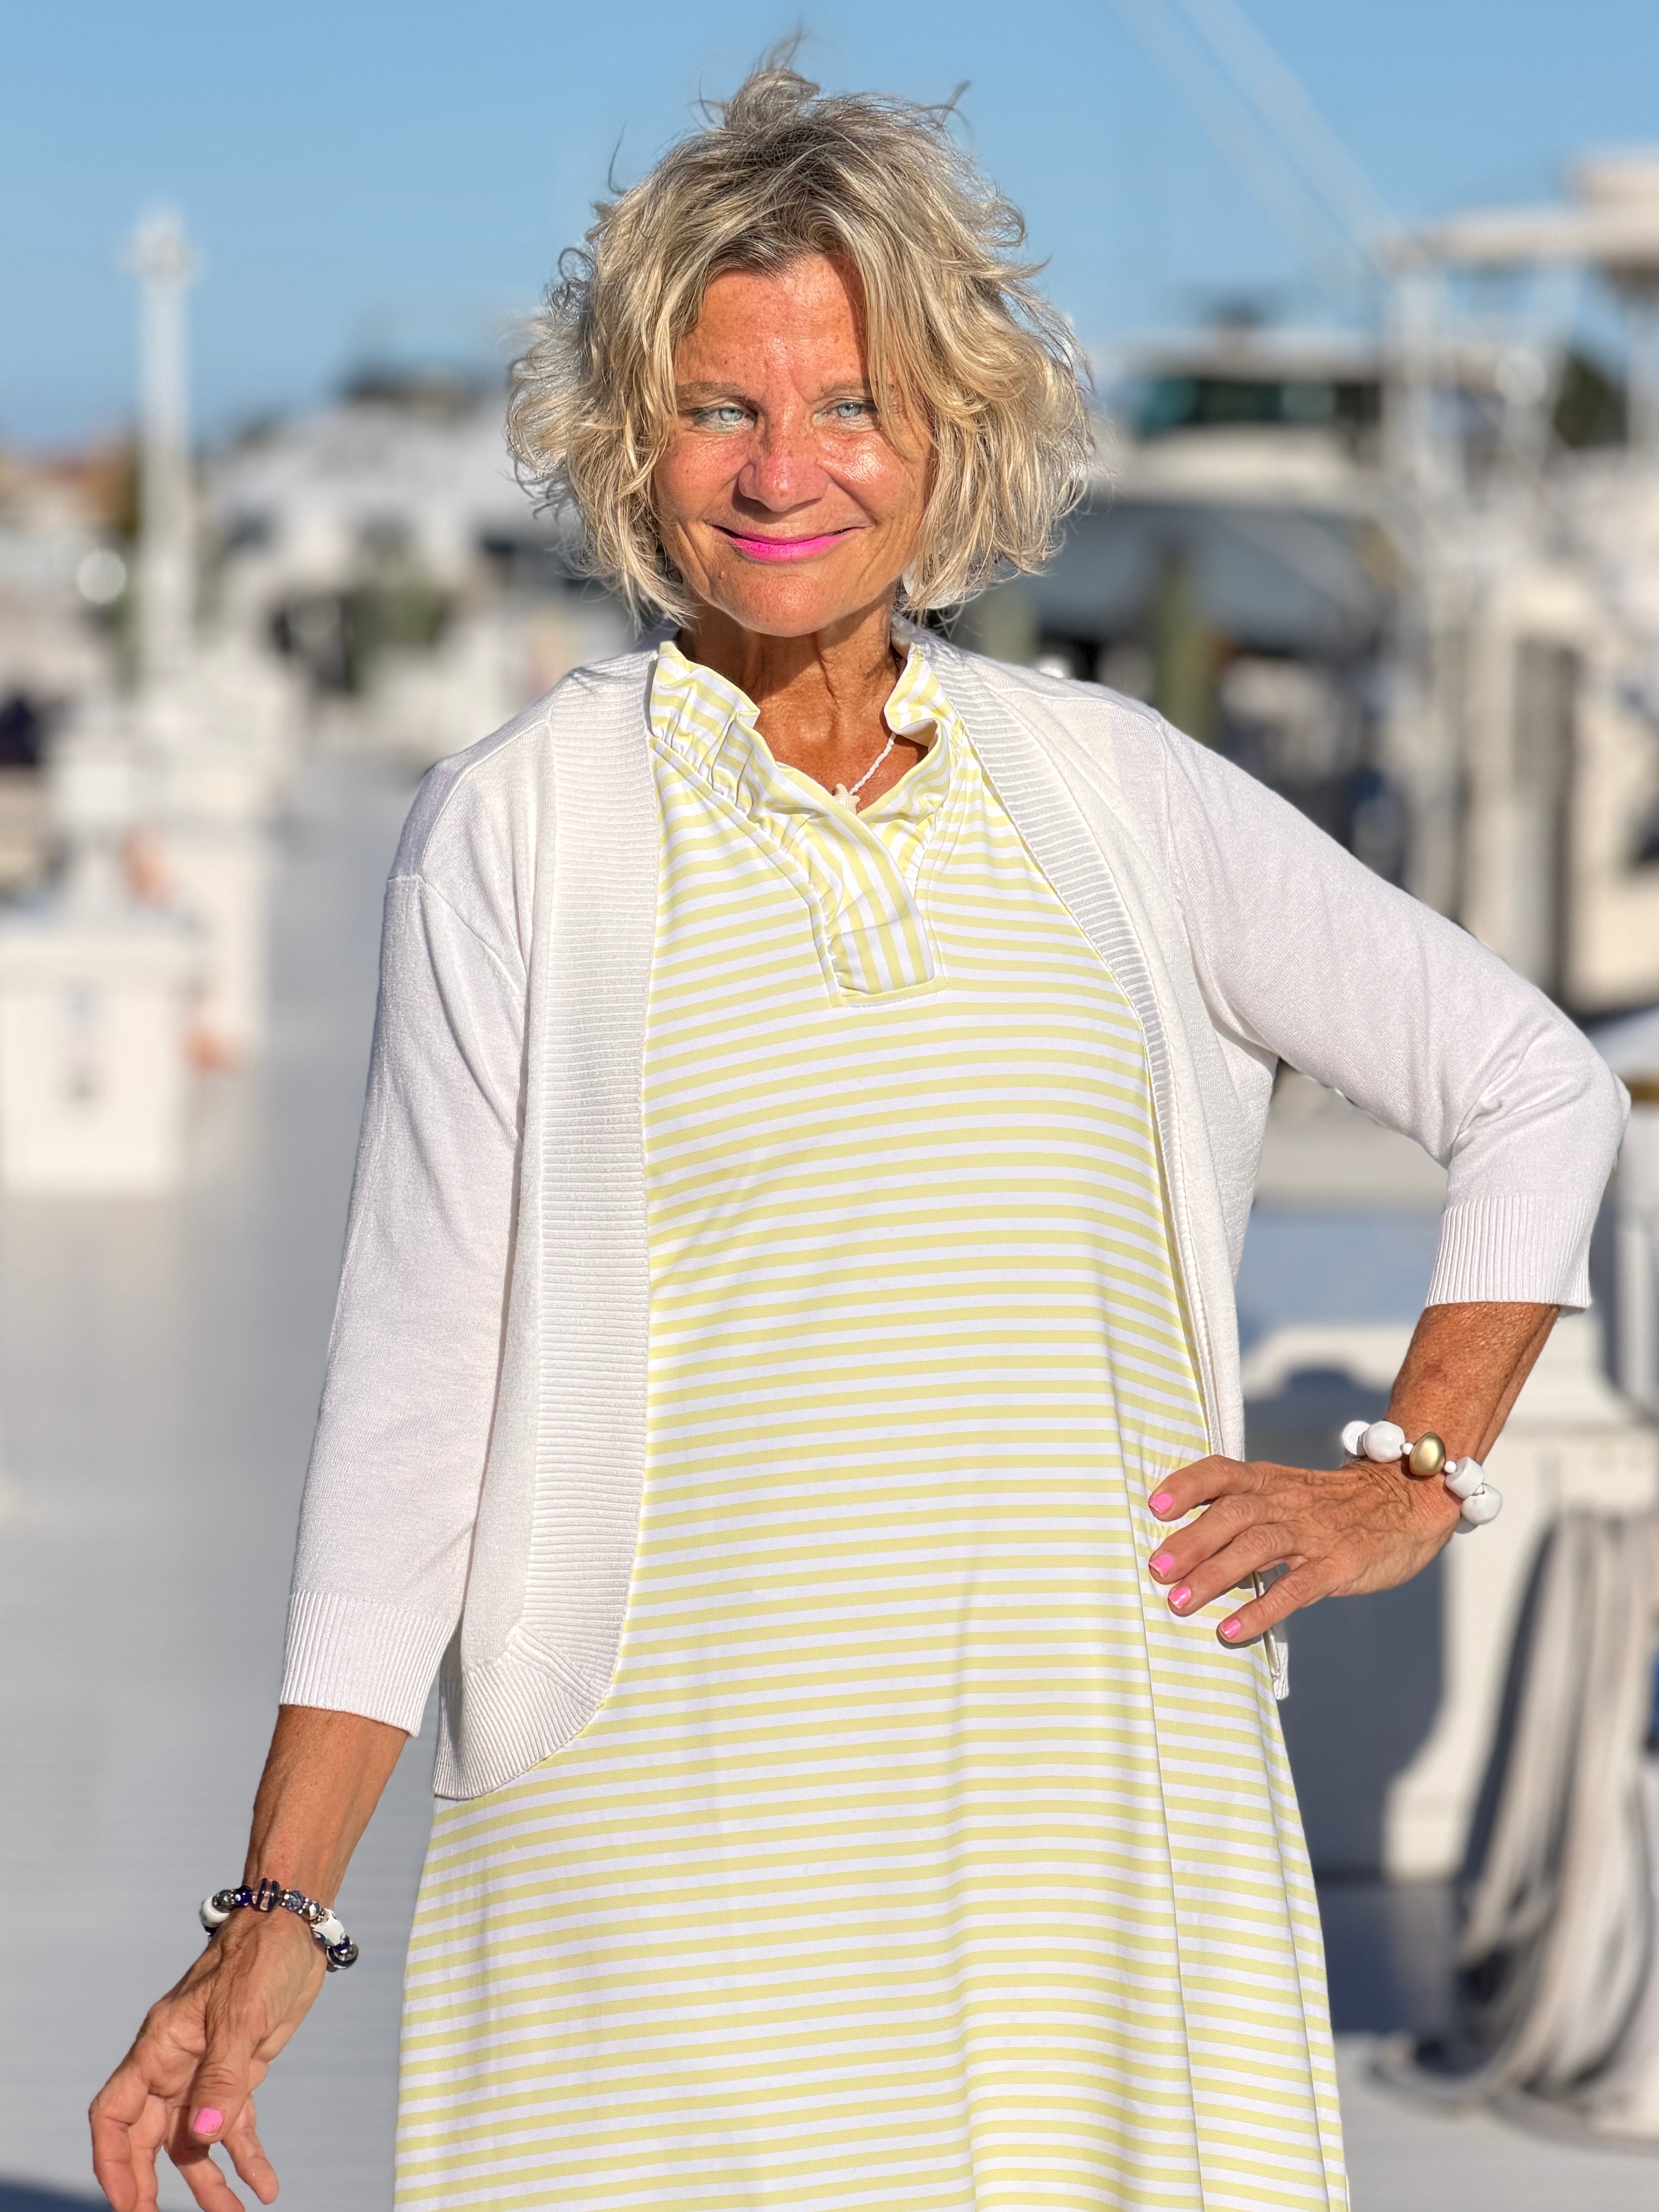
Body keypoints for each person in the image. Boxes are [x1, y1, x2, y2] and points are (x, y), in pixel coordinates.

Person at [91, 60, 1625, 2212]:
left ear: (950, 434)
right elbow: (413, 1407)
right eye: (719, 407)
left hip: (1099, 1832)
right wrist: (274, 1911)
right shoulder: (517, 831)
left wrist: (1411, 1479)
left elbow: (1534, 1081)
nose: (782, 469)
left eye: (852, 406)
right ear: (630, 438)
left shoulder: (1114, 790)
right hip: (665, 1857)